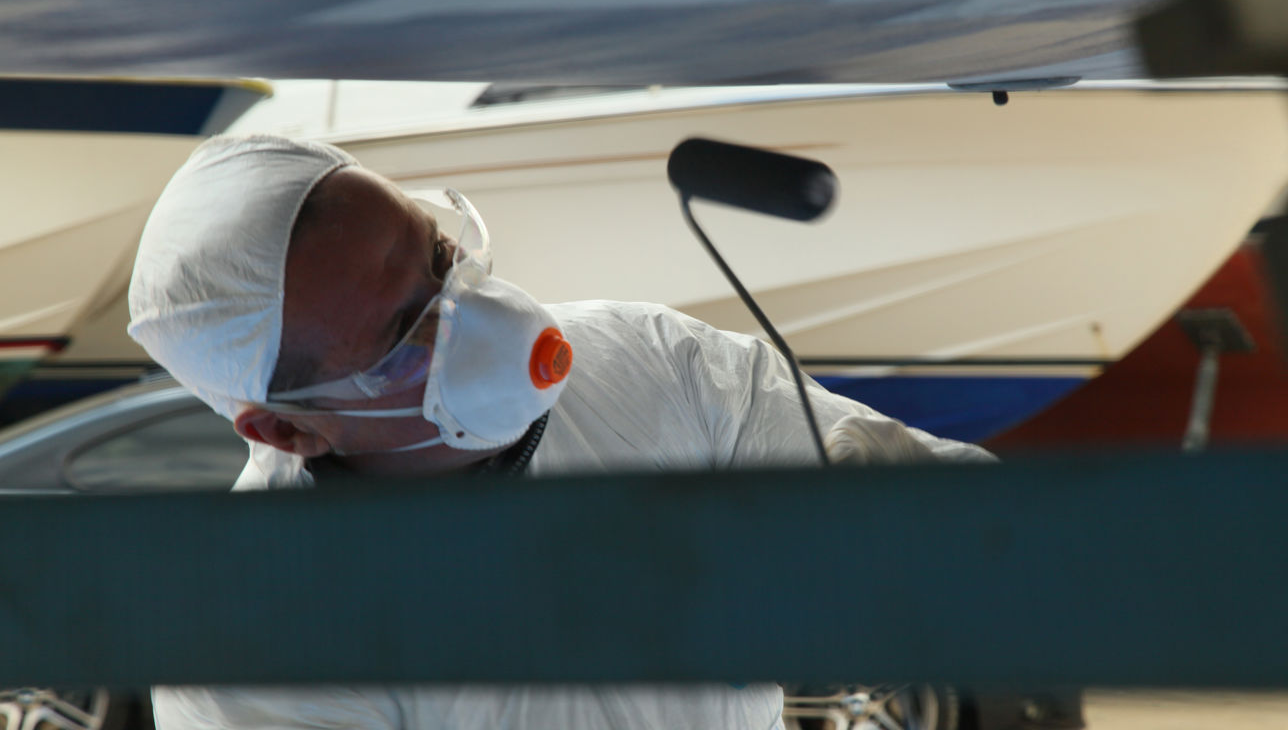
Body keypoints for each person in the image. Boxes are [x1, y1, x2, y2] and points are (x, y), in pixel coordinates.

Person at [127, 133, 991, 730]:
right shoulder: (249, 637)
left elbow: (999, 532)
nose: (467, 309)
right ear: (288, 428)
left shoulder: (648, 360)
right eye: (404, 334)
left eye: (439, 254)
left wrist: (902, 517)